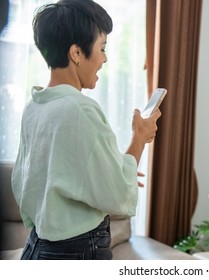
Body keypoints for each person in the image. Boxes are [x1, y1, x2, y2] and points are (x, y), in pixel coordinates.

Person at [11, 0, 161, 260]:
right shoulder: (80, 109)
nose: (104, 58)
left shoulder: (34, 107)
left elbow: (32, 181)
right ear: (76, 53)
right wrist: (140, 138)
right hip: (75, 252)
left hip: (36, 248)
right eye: (102, 48)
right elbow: (118, 196)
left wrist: (114, 168)